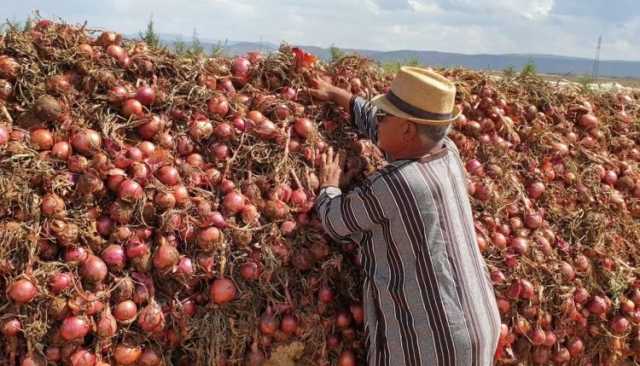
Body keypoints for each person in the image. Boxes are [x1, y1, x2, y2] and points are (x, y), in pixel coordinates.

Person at [308, 66, 502, 366]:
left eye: (385, 115)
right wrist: (339, 97)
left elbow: (337, 221)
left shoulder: (393, 185)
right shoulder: (447, 153)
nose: (379, 119)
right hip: (479, 322)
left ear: (408, 129)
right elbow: (382, 130)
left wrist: (328, 187)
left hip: (437, 343)